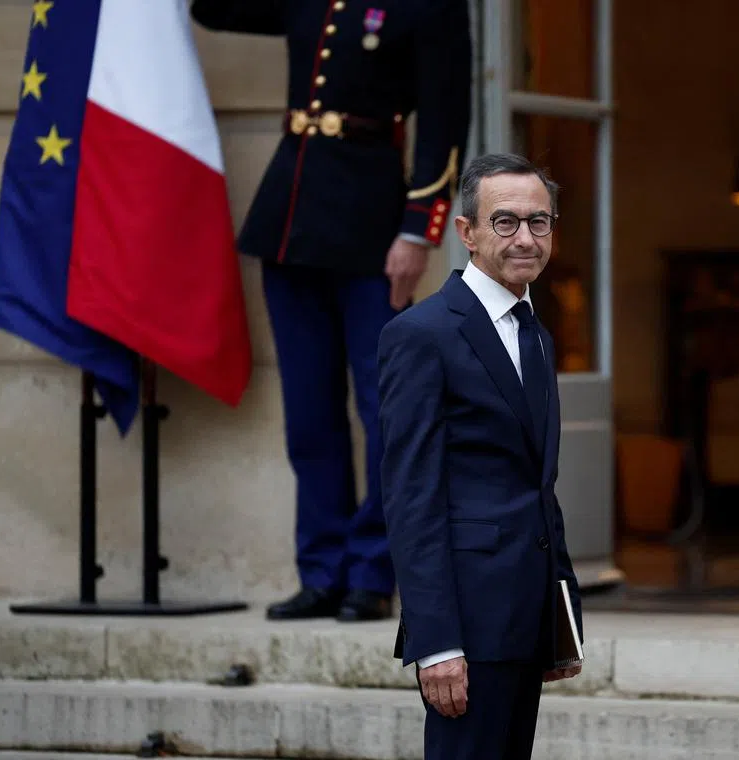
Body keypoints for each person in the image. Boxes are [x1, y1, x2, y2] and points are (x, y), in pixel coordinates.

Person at [189, 0, 472, 621]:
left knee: (386, 414)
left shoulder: (428, 9)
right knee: (310, 416)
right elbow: (211, 9)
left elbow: (447, 123)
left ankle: (371, 574)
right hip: (289, 224)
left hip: (372, 229)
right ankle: (321, 572)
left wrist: (417, 233)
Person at [377, 152, 584, 760]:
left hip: (526, 618)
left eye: (539, 222)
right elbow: (412, 498)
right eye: (505, 222)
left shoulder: (536, 332)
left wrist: (561, 617)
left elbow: (535, 485)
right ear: (466, 232)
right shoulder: (421, 335)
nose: (526, 237)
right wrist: (435, 643)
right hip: (465, 629)